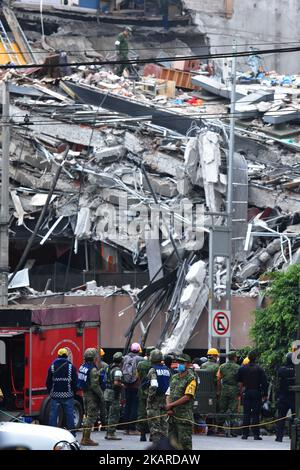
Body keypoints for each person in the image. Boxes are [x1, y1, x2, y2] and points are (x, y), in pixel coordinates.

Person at [165, 353, 196, 450]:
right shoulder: (174, 377)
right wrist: (168, 407)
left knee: (184, 444)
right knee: (171, 444)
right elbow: (168, 393)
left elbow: (187, 397)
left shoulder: (191, 379)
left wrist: (170, 405)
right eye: (179, 362)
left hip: (183, 418)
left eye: (182, 362)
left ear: (188, 365)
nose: (179, 364)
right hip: (172, 417)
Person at [237, 350, 268, 440]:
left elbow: (239, 382)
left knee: (246, 413)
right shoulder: (259, 369)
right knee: (255, 414)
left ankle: (245, 434)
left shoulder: (242, 368)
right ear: (256, 358)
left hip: (246, 392)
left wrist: (240, 392)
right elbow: (264, 383)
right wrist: (264, 394)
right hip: (256, 392)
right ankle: (256, 435)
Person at [46, 348, 77, 436]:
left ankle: (52, 435)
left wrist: (50, 392)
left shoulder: (52, 366)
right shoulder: (71, 367)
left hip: (55, 395)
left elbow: (48, 382)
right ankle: (72, 434)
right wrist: (74, 392)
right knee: (70, 415)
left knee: (53, 416)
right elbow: (75, 382)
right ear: (67, 356)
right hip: (68, 395)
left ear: (58, 355)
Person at [78, 348, 104, 446]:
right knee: (91, 417)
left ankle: (84, 438)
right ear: (93, 358)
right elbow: (94, 385)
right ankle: (86, 439)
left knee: (87, 416)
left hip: (84, 394)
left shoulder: (82, 367)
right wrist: (101, 396)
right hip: (91, 396)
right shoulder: (92, 369)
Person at [146, 349, 170, 444]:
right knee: (164, 422)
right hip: (165, 398)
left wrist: (150, 397)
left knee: (154, 421)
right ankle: (164, 442)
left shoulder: (153, 370)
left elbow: (154, 384)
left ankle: (156, 442)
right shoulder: (167, 370)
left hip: (155, 399)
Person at [122, 342, 143, 435]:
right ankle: (132, 428)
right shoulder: (140, 359)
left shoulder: (125, 358)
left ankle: (126, 428)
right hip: (135, 386)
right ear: (139, 350)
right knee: (134, 407)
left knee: (127, 406)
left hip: (126, 386)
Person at [217, 351, 240, 437]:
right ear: (234, 357)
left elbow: (218, 379)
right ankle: (232, 430)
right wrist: (239, 391)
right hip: (234, 389)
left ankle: (219, 429)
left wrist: (219, 390)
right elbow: (240, 381)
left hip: (224, 389)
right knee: (232, 409)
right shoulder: (238, 367)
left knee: (222, 408)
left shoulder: (222, 366)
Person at [275, 352, 295, 442]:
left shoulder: (281, 370)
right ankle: (294, 436)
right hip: (294, 397)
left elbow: (277, 383)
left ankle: (279, 437)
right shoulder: (297, 370)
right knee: (296, 418)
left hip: (283, 397)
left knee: (281, 418)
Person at [137, 346, 155, 441]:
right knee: (152, 413)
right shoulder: (156, 366)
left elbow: (138, 377)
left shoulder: (140, 364)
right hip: (153, 392)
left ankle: (142, 435)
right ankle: (152, 435)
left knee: (142, 413)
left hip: (142, 392)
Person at [104, 352, 124, 440]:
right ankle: (111, 433)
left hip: (107, 392)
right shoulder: (118, 370)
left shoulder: (108, 367)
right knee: (114, 413)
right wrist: (123, 385)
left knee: (109, 413)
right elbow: (116, 383)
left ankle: (108, 432)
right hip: (114, 393)